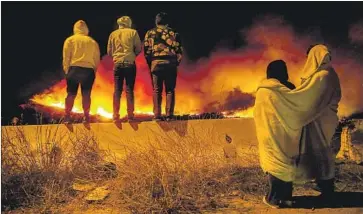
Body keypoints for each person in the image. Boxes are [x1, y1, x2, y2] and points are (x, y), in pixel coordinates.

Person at [254, 44, 341, 208]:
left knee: (314, 156)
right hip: (283, 134)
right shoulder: (278, 89)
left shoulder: (322, 76)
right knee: (312, 157)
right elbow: (299, 101)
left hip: (314, 124)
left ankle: (319, 193)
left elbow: (304, 100)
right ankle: (280, 197)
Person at [144, 12, 183, 121]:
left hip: (156, 64)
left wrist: (150, 63)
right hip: (170, 63)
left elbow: (146, 51)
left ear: (156, 21)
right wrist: (176, 63)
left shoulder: (150, 33)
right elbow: (179, 51)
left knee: (157, 90)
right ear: (167, 22)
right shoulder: (174, 33)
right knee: (170, 90)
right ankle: (169, 115)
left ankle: (157, 115)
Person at [63, 20, 100, 124]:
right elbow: (96, 58)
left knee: (71, 94)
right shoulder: (92, 42)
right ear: (86, 29)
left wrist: (67, 71)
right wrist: (94, 71)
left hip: (74, 69)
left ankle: (67, 117)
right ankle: (86, 117)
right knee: (86, 95)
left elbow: (66, 57)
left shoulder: (70, 40)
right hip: (88, 70)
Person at [108, 16, 142, 122]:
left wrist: (116, 57)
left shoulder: (113, 34)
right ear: (129, 23)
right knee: (129, 90)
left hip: (117, 64)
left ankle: (115, 115)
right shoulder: (133, 32)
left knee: (117, 90)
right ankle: (130, 116)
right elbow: (138, 48)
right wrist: (131, 56)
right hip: (129, 64)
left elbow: (109, 51)